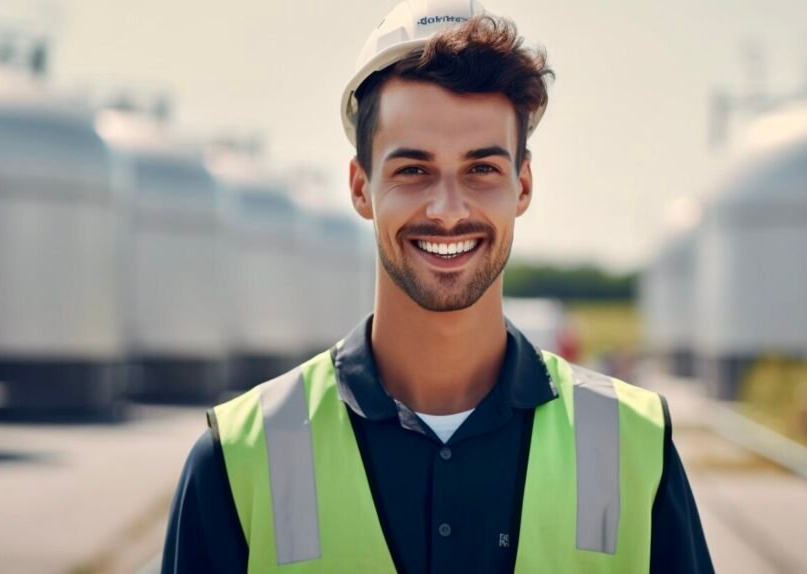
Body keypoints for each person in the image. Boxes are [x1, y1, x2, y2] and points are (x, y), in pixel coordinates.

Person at [162, 1, 713, 572]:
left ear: (522, 185)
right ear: (360, 187)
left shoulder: (634, 447)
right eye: (413, 169)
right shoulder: (239, 459)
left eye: (481, 169)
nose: (448, 211)